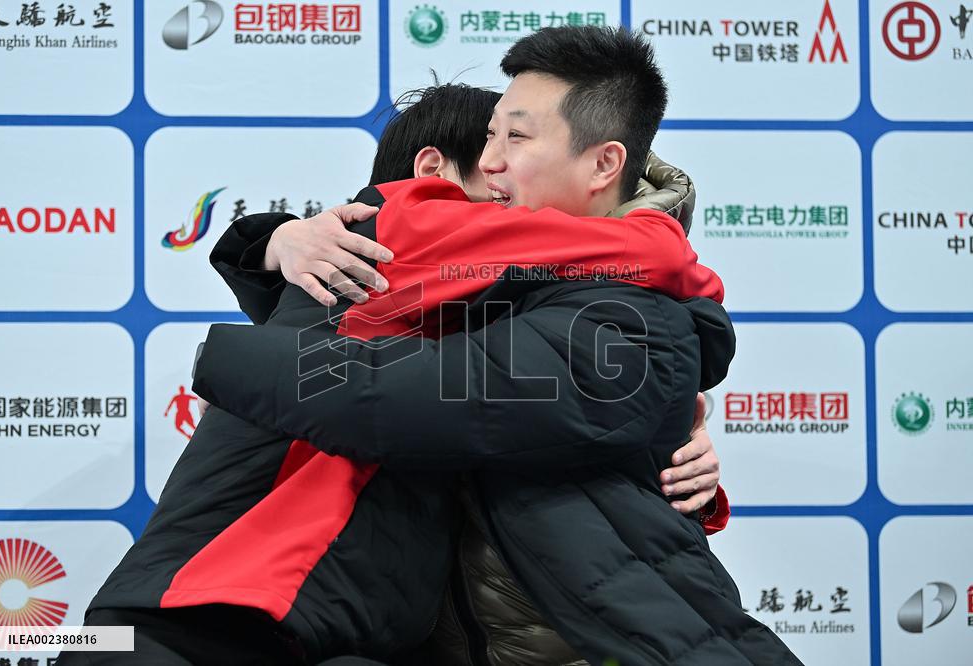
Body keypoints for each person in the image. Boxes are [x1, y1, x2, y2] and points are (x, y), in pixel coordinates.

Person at [191, 27, 800, 665]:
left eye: (515, 138)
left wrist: (241, 371)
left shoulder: (625, 310)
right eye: (488, 141)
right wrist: (274, 245)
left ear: (601, 164)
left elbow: (425, 392)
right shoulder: (456, 294)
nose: (491, 166)